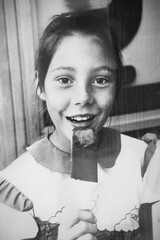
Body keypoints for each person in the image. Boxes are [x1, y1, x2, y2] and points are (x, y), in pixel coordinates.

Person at [0, 9, 160, 240]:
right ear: (41, 86)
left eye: (100, 80)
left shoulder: (144, 163)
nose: (83, 97)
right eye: (64, 80)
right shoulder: (15, 189)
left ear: (117, 86)